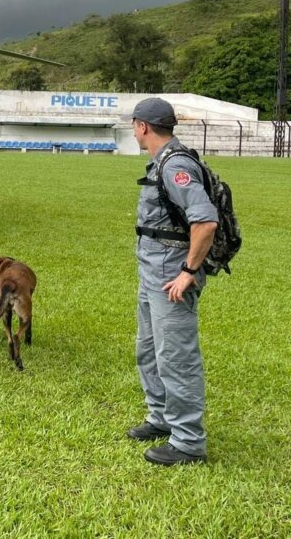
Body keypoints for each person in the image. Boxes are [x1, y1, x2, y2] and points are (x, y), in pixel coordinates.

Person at [124, 97, 217, 466]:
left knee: (176, 357)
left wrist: (189, 272)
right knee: (148, 351)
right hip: (152, 275)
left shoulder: (175, 165)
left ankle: (189, 441)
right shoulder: (162, 162)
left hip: (171, 279)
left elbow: (206, 221)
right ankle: (161, 416)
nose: (133, 130)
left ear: (143, 126)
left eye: (134, 125)